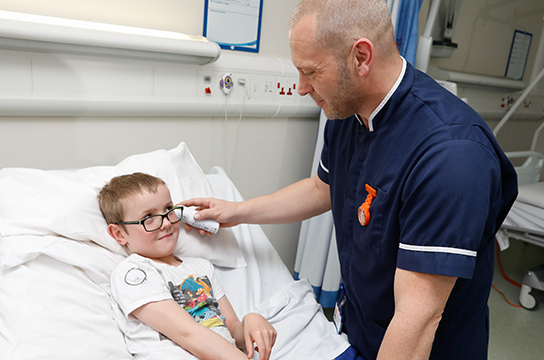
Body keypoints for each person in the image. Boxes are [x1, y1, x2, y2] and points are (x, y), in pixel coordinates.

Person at [180, 0, 518, 359]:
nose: (301, 88)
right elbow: (321, 188)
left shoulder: (452, 156)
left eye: (310, 72)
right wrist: (236, 211)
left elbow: (417, 318)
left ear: (360, 57)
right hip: (360, 331)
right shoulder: (349, 111)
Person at [98, 173, 277, 360]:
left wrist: (251, 321)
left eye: (168, 209)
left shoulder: (202, 268)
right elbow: (188, 334)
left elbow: (231, 329)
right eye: (148, 217)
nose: (166, 222)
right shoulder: (133, 273)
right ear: (119, 234)